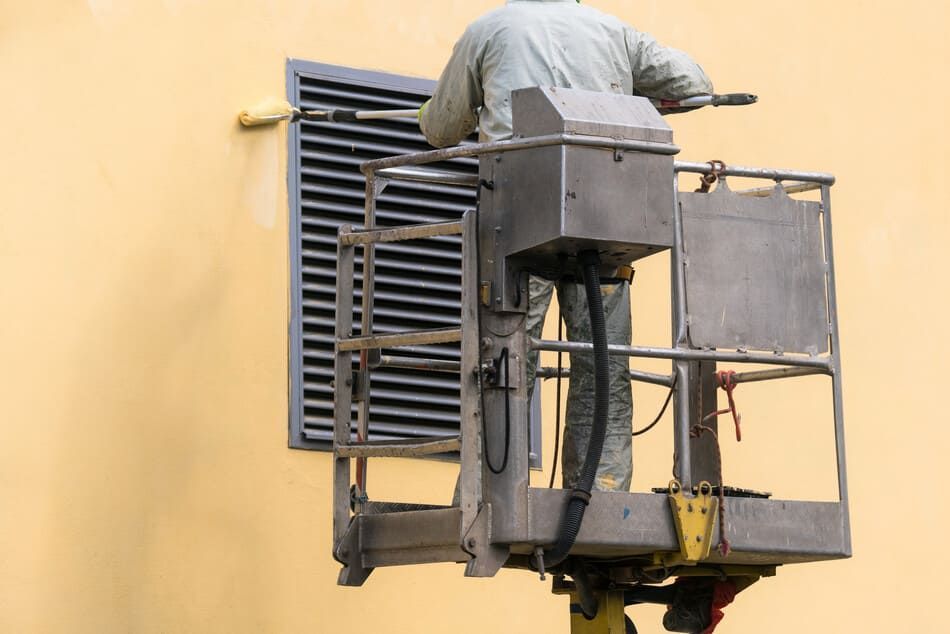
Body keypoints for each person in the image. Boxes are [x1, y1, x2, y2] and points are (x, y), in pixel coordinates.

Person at [420, 0, 712, 493]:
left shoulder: (491, 29)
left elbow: (438, 128)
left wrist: (470, 114)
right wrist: (637, 92)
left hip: (518, 219)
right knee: (603, 363)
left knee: (507, 360)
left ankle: (493, 492)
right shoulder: (612, 31)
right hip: (604, 217)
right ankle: (601, 490)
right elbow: (696, 87)